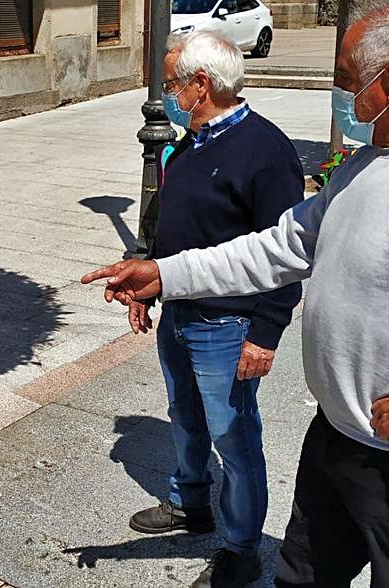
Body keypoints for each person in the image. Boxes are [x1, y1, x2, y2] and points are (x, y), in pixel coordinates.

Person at [82, 1, 389, 585]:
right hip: (337, 438)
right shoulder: (365, 164)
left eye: (345, 82)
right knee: (301, 576)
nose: (343, 97)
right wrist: (165, 274)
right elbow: (278, 247)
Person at [125, 29, 303, 588]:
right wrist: (149, 287)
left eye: (175, 80)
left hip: (228, 323)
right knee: (184, 413)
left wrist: (266, 332)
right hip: (179, 310)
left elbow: (287, 254)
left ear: (201, 85)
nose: (170, 90)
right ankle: (190, 502)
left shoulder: (266, 150)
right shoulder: (188, 143)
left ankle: (241, 548)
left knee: (234, 435)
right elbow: (173, 228)